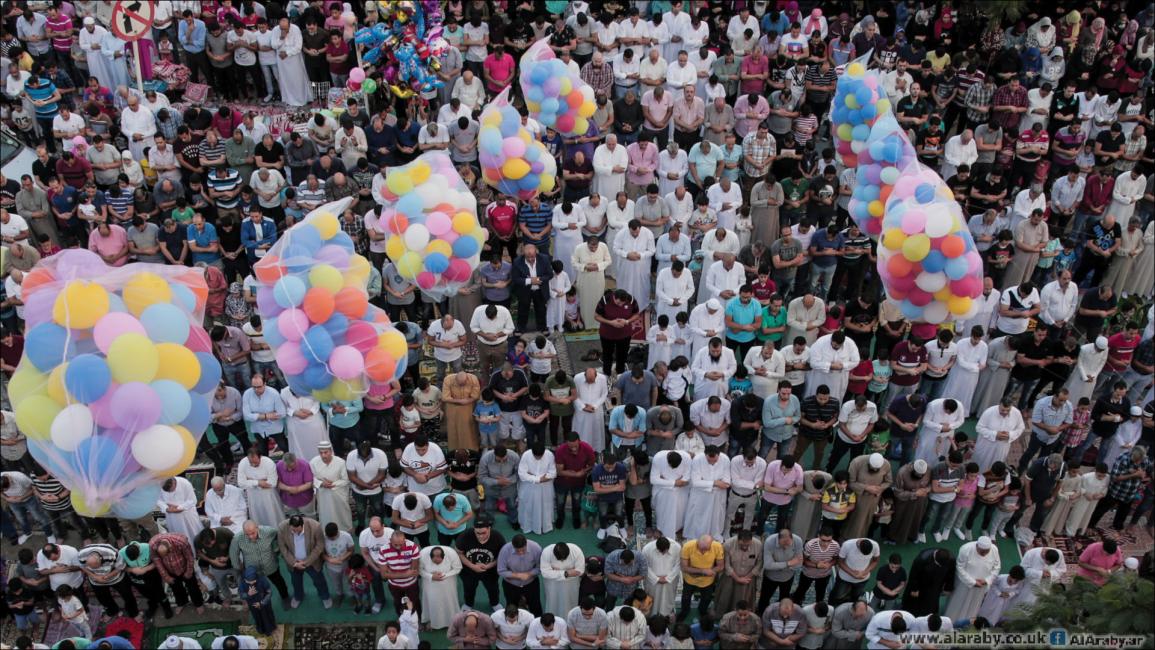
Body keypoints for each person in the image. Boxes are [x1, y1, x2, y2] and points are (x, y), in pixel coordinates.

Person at [276, 514, 331, 610]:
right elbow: (282, 547)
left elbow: (319, 545)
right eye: (292, 530)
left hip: (312, 561)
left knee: (319, 581)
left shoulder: (315, 526)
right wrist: (294, 563)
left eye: (297, 530)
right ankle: (298, 596)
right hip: (293, 563)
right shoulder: (282, 527)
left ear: (302, 525)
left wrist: (306, 562)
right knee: (296, 582)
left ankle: (325, 596)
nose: (294, 532)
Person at [944, 536, 1001, 622]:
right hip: (964, 585)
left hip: (982, 585)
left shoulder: (994, 550)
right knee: (958, 602)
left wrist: (987, 580)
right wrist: (972, 582)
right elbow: (960, 568)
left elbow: (997, 567)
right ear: (977, 546)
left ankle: (967, 622)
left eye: (986, 551)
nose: (984, 554)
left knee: (974, 604)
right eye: (982, 552)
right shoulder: (966, 549)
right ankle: (951, 620)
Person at [419, 545, 462, 630]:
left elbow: (458, 568)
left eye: (439, 561)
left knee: (449, 601)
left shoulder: (451, 553)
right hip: (429, 584)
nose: (436, 563)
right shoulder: (423, 554)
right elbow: (419, 569)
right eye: (434, 561)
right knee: (432, 602)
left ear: (444, 557)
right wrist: (431, 576)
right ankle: (433, 621)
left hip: (448, 583)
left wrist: (444, 575)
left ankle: (451, 622)